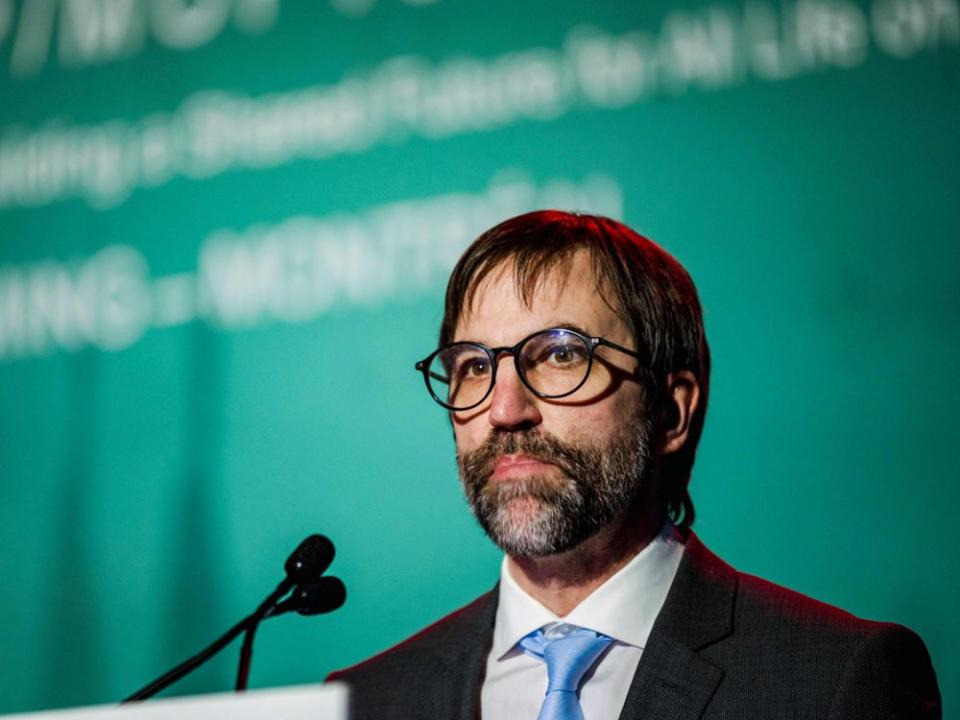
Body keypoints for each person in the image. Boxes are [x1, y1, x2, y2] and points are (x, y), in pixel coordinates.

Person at [327, 210, 940, 719]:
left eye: (560, 356)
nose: (506, 410)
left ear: (670, 413)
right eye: (475, 367)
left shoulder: (834, 682)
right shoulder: (366, 703)